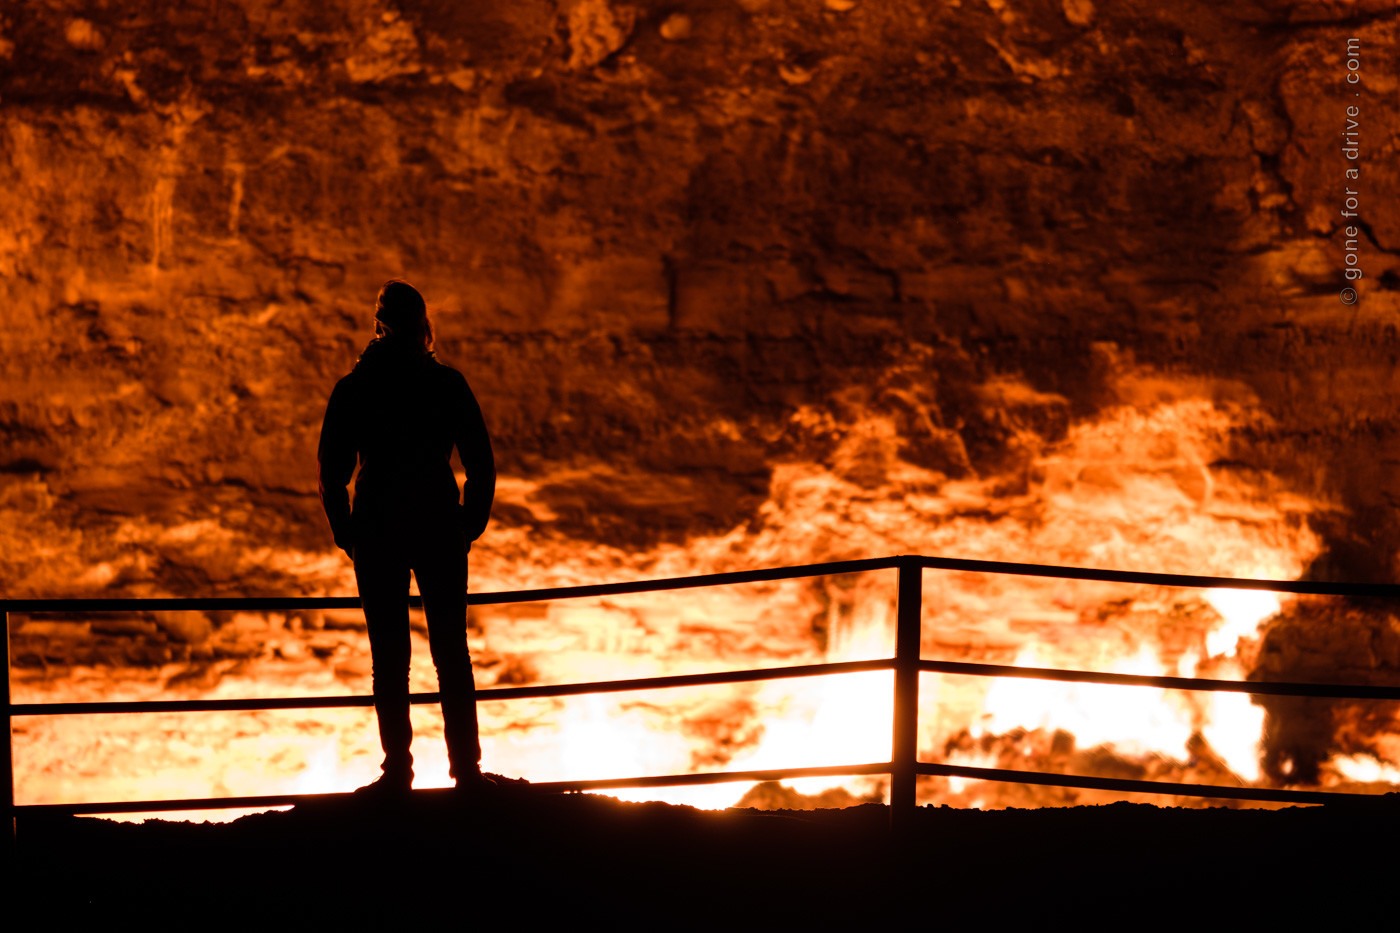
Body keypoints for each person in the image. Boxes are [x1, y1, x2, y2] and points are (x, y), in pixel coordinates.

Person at [317, 279, 496, 795]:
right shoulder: (446, 385)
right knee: (451, 654)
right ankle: (466, 771)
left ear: (379, 325)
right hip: (439, 524)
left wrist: (347, 531)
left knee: (389, 659)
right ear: (423, 326)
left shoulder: (355, 389)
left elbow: (333, 471)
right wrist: (468, 523)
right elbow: (479, 463)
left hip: (378, 527)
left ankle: (398, 773)